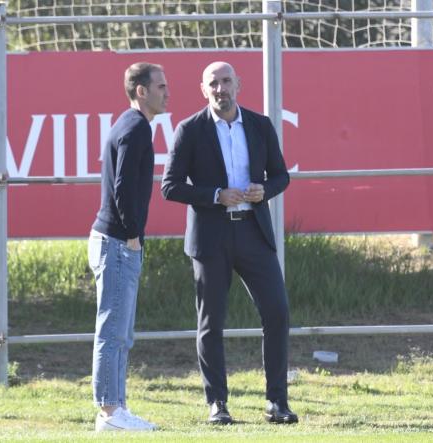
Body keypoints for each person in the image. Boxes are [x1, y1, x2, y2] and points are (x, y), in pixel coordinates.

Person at [161, 61, 297, 425]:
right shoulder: (189, 130)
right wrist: (215, 195)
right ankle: (217, 404)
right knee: (211, 323)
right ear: (203, 89)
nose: (220, 89)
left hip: (254, 231)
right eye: (213, 84)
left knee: (277, 312)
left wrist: (263, 190)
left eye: (226, 81)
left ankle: (277, 403)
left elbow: (281, 175)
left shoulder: (260, 125)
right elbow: (170, 186)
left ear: (239, 83)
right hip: (211, 236)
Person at [88, 62, 169, 432]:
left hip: (116, 241)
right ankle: (109, 412)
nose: (166, 92)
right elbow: (122, 188)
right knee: (113, 331)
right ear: (141, 91)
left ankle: (117, 407)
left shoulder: (131, 124)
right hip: (118, 242)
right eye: (160, 86)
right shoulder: (135, 128)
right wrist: (134, 234)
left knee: (121, 332)